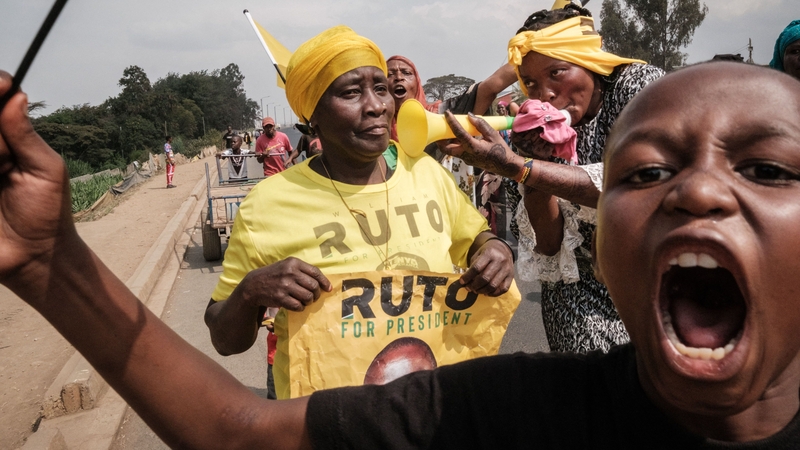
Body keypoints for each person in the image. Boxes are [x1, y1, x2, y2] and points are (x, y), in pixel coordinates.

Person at [5, 61, 800, 448]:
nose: (695, 194)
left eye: (767, 169)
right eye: (646, 172)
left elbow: (479, 235)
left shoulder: (427, 175)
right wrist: (49, 262)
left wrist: (488, 247)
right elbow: (235, 424)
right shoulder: (502, 412)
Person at [204, 26, 514, 400]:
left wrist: (495, 250)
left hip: (430, 415)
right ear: (312, 115)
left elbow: (476, 237)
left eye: (380, 88)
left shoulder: (425, 172)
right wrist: (251, 293)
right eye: (351, 92)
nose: (377, 106)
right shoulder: (267, 205)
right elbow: (224, 340)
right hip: (328, 426)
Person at [442, 3, 664, 354]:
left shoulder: (637, 89)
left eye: (556, 74)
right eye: (529, 83)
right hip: (578, 293)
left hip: (655, 282)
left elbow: (637, 184)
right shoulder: (531, 137)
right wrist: (534, 167)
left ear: (589, 63)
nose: (542, 94)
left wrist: (518, 167)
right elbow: (548, 246)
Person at [386, 55, 518, 202]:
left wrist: (531, 50)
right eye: (389, 74)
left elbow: (489, 88)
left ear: (417, 83)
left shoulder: (443, 117)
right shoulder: (373, 129)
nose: (398, 77)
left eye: (406, 72)